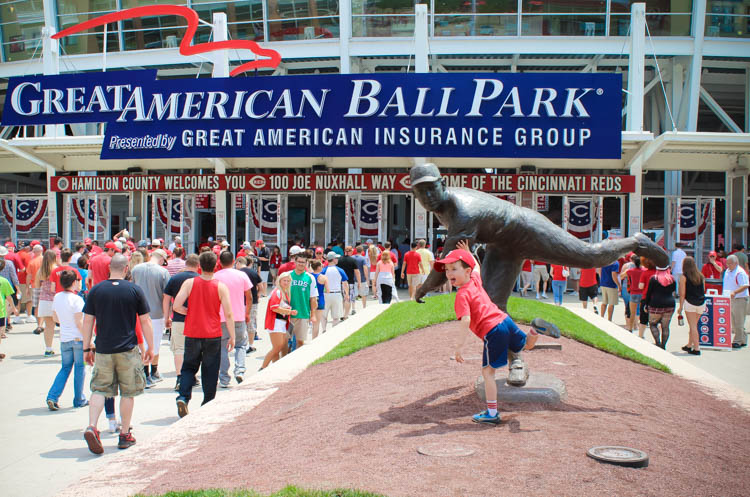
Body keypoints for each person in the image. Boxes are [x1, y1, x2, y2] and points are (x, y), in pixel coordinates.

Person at [410, 163, 669, 386]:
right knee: (492, 308)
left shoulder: (462, 211)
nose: (429, 195)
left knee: (589, 257)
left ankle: (637, 241)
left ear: (443, 184)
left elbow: (451, 263)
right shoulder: (444, 208)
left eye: (432, 187)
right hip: (502, 245)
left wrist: (422, 288)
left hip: (526, 229)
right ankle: (517, 362)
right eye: (422, 191)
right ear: (415, 195)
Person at [439, 241, 559, 425]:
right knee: (526, 345)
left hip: (492, 330)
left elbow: (465, 320)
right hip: (504, 320)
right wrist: (468, 253)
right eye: (447, 270)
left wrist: (458, 347)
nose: (449, 274)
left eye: (453, 269)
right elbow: (477, 267)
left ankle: (492, 413)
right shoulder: (475, 281)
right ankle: (535, 330)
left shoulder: (462, 295)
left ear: (466, 272)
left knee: (488, 373)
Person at [81, 254, 155, 454]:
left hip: (104, 348)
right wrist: (150, 346)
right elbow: (145, 320)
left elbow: (87, 320)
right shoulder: (134, 290)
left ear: (109, 269)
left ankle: (92, 426)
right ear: (126, 268)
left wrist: (86, 347)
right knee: (128, 392)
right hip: (127, 349)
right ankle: (124, 434)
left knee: (99, 389)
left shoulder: (96, 290)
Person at [173, 251, 235, 418]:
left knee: (188, 367)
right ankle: (208, 402)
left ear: (199, 266)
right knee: (210, 369)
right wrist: (232, 336)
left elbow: (176, 305)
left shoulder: (189, 283)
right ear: (216, 266)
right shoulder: (220, 286)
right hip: (213, 333)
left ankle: (183, 397)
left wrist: (188, 312)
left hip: (193, 331)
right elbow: (229, 313)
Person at [46, 270, 87, 410]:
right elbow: (79, 322)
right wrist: (88, 338)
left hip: (64, 338)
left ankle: (52, 396)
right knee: (80, 369)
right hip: (78, 338)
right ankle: (79, 399)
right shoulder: (77, 300)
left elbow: (55, 318)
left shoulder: (57, 297)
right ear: (74, 282)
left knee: (65, 368)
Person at [131, 248, 169, 387]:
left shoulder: (136, 269)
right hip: (156, 312)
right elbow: (166, 296)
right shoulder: (163, 272)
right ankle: (148, 373)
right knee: (154, 344)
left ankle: (148, 372)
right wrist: (167, 315)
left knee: (142, 343)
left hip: (138, 312)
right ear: (161, 259)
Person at [213, 251, 252, 387]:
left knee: (222, 346)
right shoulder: (242, 275)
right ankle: (239, 370)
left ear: (220, 262)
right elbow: (249, 296)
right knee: (241, 344)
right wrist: (247, 312)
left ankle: (224, 378)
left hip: (221, 317)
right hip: (238, 315)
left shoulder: (215, 277)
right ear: (234, 261)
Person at [162, 254, 200, 391]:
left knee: (179, 349)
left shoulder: (175, 278)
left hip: (178, 318)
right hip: (196, 319)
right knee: (195, 349)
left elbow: (166, 299)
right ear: (198, 265)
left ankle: (180, 377)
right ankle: (192, 375)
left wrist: (167, 317)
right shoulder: (199, 279)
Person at [260, 271, 296, 369]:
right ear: (279, 281)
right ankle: (263, 367)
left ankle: (273, 368)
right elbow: (274, 307)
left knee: (278, 347)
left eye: (288, 281)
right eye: (284, 280)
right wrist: (289, 312)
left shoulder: (284, 292)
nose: (286, 283)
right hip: (275, 322)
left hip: (281, 322)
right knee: (277, 347)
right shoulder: (278, 292)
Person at [288, 251, 318, 348]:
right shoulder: (287, 276)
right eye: (299, 262)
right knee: (285, 341)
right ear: (295, 262)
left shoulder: (310, 278)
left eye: (303, 262)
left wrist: (313, 315)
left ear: (306, 264)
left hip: (303, 313)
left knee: (300, 341)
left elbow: (313, 298)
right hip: (288, 313)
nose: (301, 264)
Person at [677, 256, 706, 355]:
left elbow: (682, 294)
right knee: (693, 325)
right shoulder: (701, 276)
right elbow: (703, 290)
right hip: (701, 303)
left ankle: (696, 348)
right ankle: (689, 345)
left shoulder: (683, 277)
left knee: (693, 326)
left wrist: (680, 307)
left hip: (690, 303)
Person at [643, 266, 676, 349]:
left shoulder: (653, 278)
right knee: (665, 326)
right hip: (670, 304)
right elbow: (673, 291)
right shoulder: (672, 279)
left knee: (653, 324)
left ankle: (658, 343)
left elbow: (649, 293)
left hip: (655, 304)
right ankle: (663, 345)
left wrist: (646, 304)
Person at [234, 256, 262, 352]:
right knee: (251, 323)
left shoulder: (237, 273)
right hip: (252, 301)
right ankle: (250, 345)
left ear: (238, 262)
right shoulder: (254, 272)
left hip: (239, 301)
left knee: (239, 323)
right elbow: (260, 285)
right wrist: (258, 295)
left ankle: (240, 343)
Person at [723, 254, 749, 348]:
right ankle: (743, 338)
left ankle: (737, 341)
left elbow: (745, 285)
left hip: (739, 299)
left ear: (736, 263)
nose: (728, 265)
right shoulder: (728, 271)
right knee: (733, 321)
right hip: (730, 298)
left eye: (730, 263)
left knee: (739, 321)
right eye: (727, 263)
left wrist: (735, 292)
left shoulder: (740, 272)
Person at [35, 250, 58, 356]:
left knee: (49, 326)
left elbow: (37, 286)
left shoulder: (40, 271)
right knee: (65, 325)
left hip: (44, 300)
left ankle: (48, 349)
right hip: (56, 300)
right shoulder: (56, 269)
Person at [321, 252, 348, 332]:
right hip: (336, 294)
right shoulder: (340, 270)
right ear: (333, 259)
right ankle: (333, 331)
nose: (337, 259)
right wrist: (346, 293)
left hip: (325, 294)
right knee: (336, 316)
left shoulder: (323, 270)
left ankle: (324, 329)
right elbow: (345, 283)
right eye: (336, 258)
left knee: (323, 315)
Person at [0, 261, 18, 359]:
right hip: (1, 310)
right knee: (0, 332)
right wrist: (14, 308)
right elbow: (9, 297)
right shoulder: (4, 281)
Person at [637, 258, 657, 339]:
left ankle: (640, 336)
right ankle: (658, 338)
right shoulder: (658, 273)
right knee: (656, 320)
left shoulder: (645, 273)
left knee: (643, 319)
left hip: (646, 297)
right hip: (657, 298)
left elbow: (641, 286)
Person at [338, 246, 359, 318]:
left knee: (342, 298)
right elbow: (357, 272)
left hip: (340, 282)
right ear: (350, 251)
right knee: (348, 298)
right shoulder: (353, 260)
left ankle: (341, 313)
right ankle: (345, 315)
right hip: (350, 282)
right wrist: (359, 282)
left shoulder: (339, 260)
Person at [624, 255, 644, 333]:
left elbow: (622, 275)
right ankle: (640, 329)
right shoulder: (644, 270)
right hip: (642, 293)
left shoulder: (631, 271)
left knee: (632, 312)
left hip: (633, 293)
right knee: (642, 312)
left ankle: (630, 328)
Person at [310, 260, 328, 339]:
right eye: (321, 266)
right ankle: (314, 339)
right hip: (320, 298)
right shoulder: (323, 277)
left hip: (310, 299)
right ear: (318, 267)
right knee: (316, 323)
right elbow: (327, 290)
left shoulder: (309, 276)